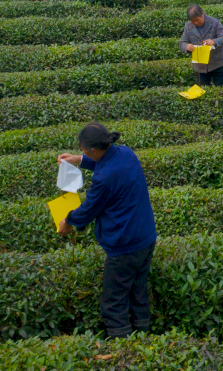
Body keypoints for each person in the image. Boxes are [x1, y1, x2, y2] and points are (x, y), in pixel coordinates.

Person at [57, 123, 157, 338]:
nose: (82, 152)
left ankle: (122, 348)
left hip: (125, 244)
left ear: (93, 150)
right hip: (146, 236)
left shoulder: (104, 180)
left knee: (113, 301)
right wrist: (78, 160)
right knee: (138, 290)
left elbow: (89, 208)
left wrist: (68, 220)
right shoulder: (126, 153)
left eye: (83, 150)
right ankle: (144, 339)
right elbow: (108, 165)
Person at [179, 5, 223, 86]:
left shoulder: (215, 22)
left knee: (222, 91)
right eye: (193, 21)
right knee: (202, 92)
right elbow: (182, 43)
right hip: (201, 67)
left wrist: (214, 41)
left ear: (202, 14)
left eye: (197, 20)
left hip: (219, 64)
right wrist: (186, 46)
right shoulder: (188, 26)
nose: (195, 23)